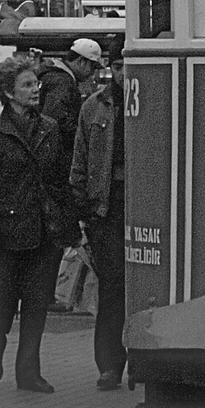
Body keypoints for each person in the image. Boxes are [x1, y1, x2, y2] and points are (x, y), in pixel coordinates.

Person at [0, 55, 72, 393]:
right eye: (27, 85)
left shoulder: (49, 128)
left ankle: (28, 371)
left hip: (44, 231)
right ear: (7, 92)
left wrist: (68, 225)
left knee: (36, 303)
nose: (35, 90)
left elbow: (59, 180)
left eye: (36, 83)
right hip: (6, 234)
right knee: (0, 301)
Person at [69, 52, 129, 390]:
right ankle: (109, 364)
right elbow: (81, 158)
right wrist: (82, 213)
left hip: (141, 204)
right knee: (112, 286)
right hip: (105, 208)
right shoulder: (94, 106)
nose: (122, 74)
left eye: (127, 66)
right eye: (117, 67)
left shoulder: (151, 100)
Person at [39, 38, 103, 312]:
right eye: (93, 67)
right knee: (59, 233)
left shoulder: (49, 78)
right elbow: (54, 122)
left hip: (47, 169)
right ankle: (49, 294)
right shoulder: (63, 84)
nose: (94, 74)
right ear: (81, 61)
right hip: (56, 169)